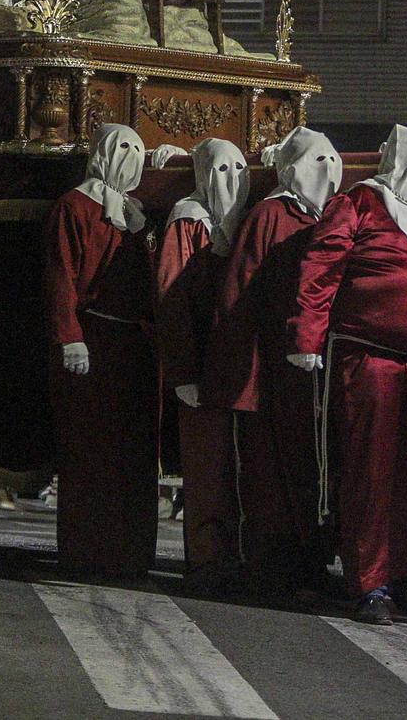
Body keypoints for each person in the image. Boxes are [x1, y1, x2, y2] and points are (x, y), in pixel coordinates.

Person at [289, 125, 407, 625]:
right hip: (370, 362)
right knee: (373, 471)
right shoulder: (360, 204)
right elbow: (320, 270)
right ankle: (371, 582)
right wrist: (308, 337)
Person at [200, 127, 343, 592]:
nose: (326, 171)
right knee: (268, 468)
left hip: (314, 370)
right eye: (315, 161)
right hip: (270, 364)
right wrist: (237, 367)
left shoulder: (328, 217)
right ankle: (271, 562)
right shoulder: (269, 215)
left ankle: (311, 556)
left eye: (331, 160)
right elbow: (238, 292)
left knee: (310, 464)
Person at [44, 123, 160, 579]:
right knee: (91, 451)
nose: (131, 156)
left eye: (139, 149)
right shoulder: (74, 206)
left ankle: (129, 556)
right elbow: (61, 275)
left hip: (134, 346)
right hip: (92, 344)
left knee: (132, 453)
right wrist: (70, 336)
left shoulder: (135, 213)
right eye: (122, 148)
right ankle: (86, 553)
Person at [154, 137, 253, 591]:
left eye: (238, 169)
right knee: (206, 468)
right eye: (219, 170)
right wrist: (184, 372)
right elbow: (172, 298)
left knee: (236, 467)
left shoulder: (243, 223)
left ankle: (234, 560)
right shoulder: (188, 221)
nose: (230, 180)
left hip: (236, 366)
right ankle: (207, 565)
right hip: (202, 366)